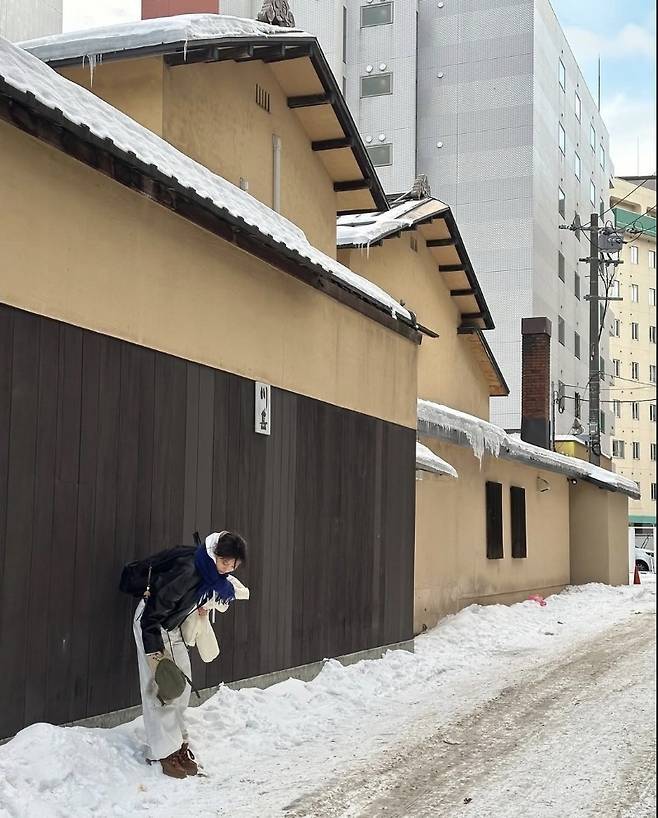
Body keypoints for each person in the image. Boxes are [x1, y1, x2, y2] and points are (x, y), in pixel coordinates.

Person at [133, 530, 247, 778]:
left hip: (171, 627)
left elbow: (190, 600)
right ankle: (162, 752)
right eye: (225, 561)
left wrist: (199, 608)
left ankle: (178, 745)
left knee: (181, 688)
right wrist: (154, 653)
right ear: (214, 553)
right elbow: (153, 612)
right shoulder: (189, 571)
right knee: (163, 688)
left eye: (234, 564)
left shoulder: (211, 576)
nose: (228, 568)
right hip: (152, 626)